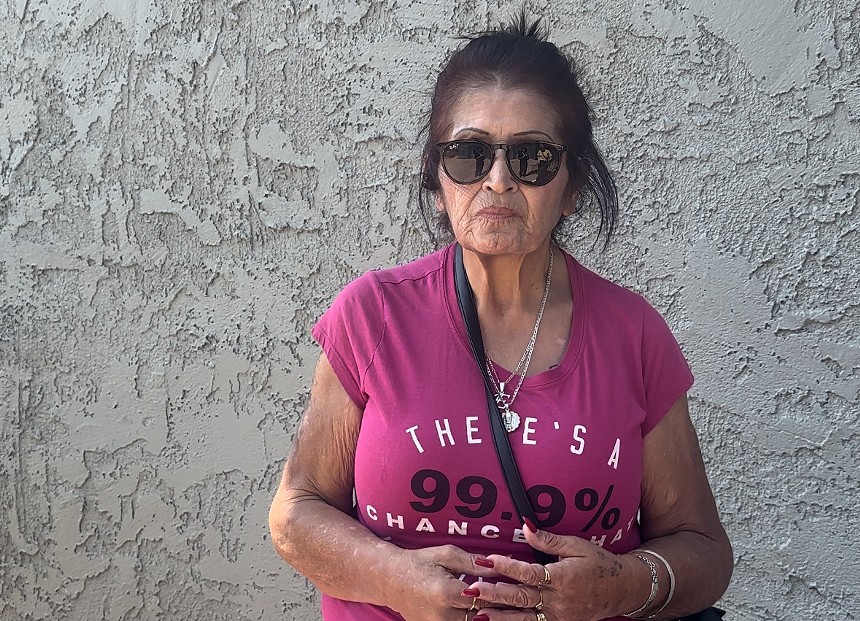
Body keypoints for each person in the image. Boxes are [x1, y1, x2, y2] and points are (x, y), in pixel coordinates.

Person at [269, 13, 732, 621]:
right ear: (437, 182)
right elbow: (295, 513)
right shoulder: (374, 314)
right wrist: (398, 580)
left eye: (532, 158)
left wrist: (618, 589)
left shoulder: (634, 335)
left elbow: (704, 550)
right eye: (468, 154)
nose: (497, 180)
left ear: (570, 189)